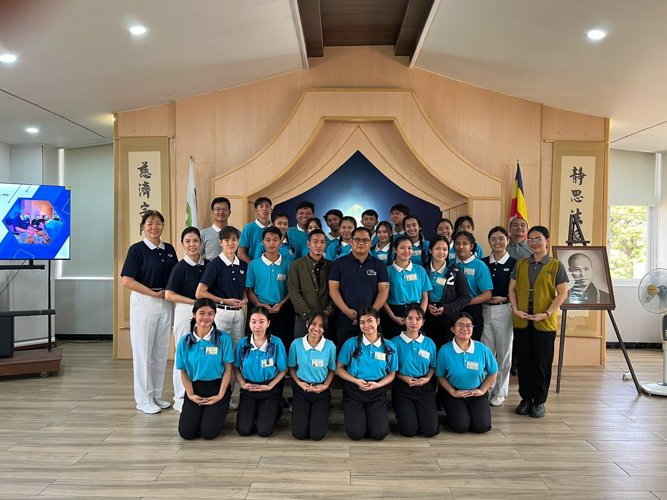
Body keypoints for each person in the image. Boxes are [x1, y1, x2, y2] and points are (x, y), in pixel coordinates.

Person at [120, 210, 178, 414]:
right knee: (143, 351)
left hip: (166, 302)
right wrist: (153, 294)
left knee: (161, 351)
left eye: (158, 223)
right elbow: (127, 280)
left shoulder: (169, 249)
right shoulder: (136, 250)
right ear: (143, 226)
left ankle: (155, 394)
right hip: (145, 301)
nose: (154, 227)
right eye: (150, 223)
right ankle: (143, 399)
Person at [509, 226, 569, 418]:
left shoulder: (556, 266)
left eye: (539, 239)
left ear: (547, 241)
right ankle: (525, 398)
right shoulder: (521, 264)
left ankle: (539, 401)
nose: (534, 242)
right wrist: (516, 309)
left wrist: (548, 313)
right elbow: (512, 289)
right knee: (524, 362)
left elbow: (562, 294)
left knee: (542, 363)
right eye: (531, 239)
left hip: (545, 323)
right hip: (522, 321)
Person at [196, 226, 248, 410]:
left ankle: (228, 395)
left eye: (234, 239)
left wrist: (244, 299)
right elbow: (200, 292)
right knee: (219, 354)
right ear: (220, 243)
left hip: (239, 314)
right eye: (227, 240)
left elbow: (244, 291)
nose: (231, 243)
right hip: (221, 313)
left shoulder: (243, 265)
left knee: (235, 355)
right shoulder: (215, 264)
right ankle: (215, 394)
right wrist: (224, 299)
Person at [336, 306, 397, 440]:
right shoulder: (351, 343)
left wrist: (378, 385)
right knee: (356, 434)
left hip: (377, 391)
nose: (366, 325)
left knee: (379, 434)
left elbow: (392, 374)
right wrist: (355, 380)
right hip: (354, 390)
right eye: (362, 322)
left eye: (370, 321)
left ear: (378, 321)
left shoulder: (389, 346)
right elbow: (339, 368)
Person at [165, 227, 209, 412]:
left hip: (205, 314)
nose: (192, 245)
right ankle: (181, 397)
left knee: (203, 353)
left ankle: (200, 393)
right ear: (183, 244)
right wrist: (194, 302)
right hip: (185, 312)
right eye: (188, 241)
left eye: (195, 241)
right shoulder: (179, 267)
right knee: (183, 354)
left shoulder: (208, 265)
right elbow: (169, 294)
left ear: (201, 243)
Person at [176, 298, 234, 440]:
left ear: (214, 316)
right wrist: (190, 395)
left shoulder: (223, 338)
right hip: (195, 388)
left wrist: (220, 395)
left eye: (210, 313)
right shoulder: (185, 341)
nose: (206, 318)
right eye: (202, 313)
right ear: (194, 314)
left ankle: (217, 411)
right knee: (187, 433)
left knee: (209, 433)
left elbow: (228, 369)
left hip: (217, 387)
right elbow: (183, 370)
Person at [436, 312, 498, 433]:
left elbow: (493, 372)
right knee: (461, 427)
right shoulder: (445, 350)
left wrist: (482, 390)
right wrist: (453, 392)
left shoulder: (482, 349)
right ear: (452, 329)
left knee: (482, 427)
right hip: (455, 393)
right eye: (460, 325)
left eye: (469, 325)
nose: (465, 329)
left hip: (476, 392)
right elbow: (440, 375)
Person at [329, 227, 389, 348]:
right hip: (345, 317)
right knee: (345, 353)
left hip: (371, 319)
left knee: (371, 352)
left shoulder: (379, 265)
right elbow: (333, 290)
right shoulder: (339, 263)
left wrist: (370, 315)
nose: (361, 243)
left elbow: (383, 291)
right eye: (357, 239)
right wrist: (346, 311)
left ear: (370, 242)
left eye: (365, 240)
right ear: (351, 241)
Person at [233, 306, 288, 437]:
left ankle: (276, 407)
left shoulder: (276, 342)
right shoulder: (242, 343)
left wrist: (270, 386)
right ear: (249, 323)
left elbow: (283, 369)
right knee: (243, 430)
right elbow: (236, 367)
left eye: (261, 321)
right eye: (253, 322)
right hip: (249, 388)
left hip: (269, 389)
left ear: (268, 323)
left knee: (264, 431)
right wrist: (242, 384)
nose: (257, 326)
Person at [481, 227, 517, 407]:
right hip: (484, 310)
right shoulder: (482, 262)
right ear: (489, 242)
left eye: (501, 238)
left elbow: (520, 289)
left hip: (505, 310)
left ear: (507, 240)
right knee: (487, 351)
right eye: (493, 239)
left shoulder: (515, 263)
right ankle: (487, 388)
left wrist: (507, 297)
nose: (497, 242)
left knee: (504, 352)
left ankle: (500, 391)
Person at [288, 311, 337, 440]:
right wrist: (299, 383)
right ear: (307, 324)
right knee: (299, 434)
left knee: (317, 435)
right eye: (313, 324)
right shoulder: (296, 344)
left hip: (321, 391)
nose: (316, 329)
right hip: (301, 389)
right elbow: (292, 367)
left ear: (324, 329)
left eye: (321, 326)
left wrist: (325, 386)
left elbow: (332, 369)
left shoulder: (330, 346)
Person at [392, 304, 439, 437]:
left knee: (430, 431)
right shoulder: (395, 342)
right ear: (404, 320)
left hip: (424, 386)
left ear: (423, 322)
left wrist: (428, 378)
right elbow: (390, 369)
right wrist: (404, 378)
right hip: (403, 386)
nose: (414, 322)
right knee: (408, 431)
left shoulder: (429, 342)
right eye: (410, 318)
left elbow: (433, 366)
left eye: (418, 319)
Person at [245, 227, 294, 347]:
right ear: (263, 242)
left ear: (281, 242)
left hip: (282, 310)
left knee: (282, 343)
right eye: (268, 240)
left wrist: (281, 304)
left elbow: (293, 290)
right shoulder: (253, 265)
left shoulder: (289, 264)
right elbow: (249, 290)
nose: (271, 243)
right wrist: (259, 304)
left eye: (275, 240)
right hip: (260, 310)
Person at [424, 235, 471, 350]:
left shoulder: (455, 271)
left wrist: (446, 308)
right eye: (437, 249)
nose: (441, 252)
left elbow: (465, 297)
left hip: (448, 317)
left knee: (445, 349)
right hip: (426, 314)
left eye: (445, 249)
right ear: (430, 250)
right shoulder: (422, 270)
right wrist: (427, 304)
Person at [383, 235, 431, 340]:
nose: (406, 251)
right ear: (395, 250)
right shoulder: (387, 271)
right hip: (394, 313)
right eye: (402, 247)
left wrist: (420, 316)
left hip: (416, 312)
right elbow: (383, 298)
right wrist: (393, 317)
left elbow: (425, 297)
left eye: (409, 248)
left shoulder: (420, 270)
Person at [288, 229, 334, 338]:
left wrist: (329, 310)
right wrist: (309, 316)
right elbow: (294, 292)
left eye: (322, 242)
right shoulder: (297, 265)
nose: (319, 245)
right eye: (315, 241)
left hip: (326, 318)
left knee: (325, 351)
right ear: (308, 244)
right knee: (301, 350)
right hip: (303, 317)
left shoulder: (331, 266)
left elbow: (335, 291)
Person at [452, 231, 493, 341]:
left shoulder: (480, 265)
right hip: (452, 308)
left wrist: (465, 302)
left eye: (465, 243)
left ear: (472, 246)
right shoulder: (449, 263)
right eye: (457, 243)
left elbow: (487, 294)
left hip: (472, 308)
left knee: (472, 341)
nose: (461, 247)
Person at [238, 197, 273, 264]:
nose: (264, 209)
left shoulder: (275, 228)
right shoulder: (249, 228)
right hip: (254, 268)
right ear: (256, 210)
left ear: (271, 209)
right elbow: (240, 254)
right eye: (261, 206)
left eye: (267, 206)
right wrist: (254, 265)